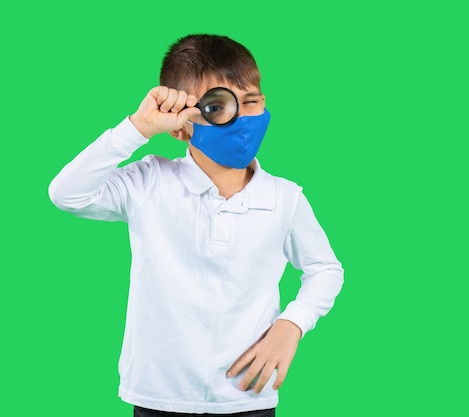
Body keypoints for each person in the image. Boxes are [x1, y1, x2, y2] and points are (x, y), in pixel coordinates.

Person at [48, 34, 344, 417]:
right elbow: (66, 193)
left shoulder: (285, 197)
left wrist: (292, 325)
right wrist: (137, 128)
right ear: (181, 125)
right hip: (158, 395)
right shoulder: (148, 182)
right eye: (220, 106)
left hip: (247, 395)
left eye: (252, 101)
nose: (242, 118)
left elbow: (325, 269)